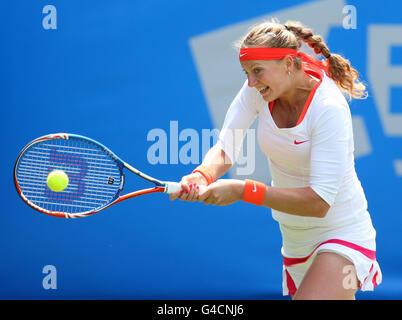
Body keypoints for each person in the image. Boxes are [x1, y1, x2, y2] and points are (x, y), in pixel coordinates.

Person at [170, 19, 382, 300]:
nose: (250, 82)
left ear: (288, 63)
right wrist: (202, 175)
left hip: (342, 232)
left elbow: (319, 202)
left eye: (257, 71)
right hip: (295, 238)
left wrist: (243, 190)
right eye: (246, 72)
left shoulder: (328, 107)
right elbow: (226, 147)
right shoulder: (257, 91)